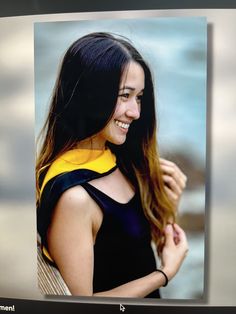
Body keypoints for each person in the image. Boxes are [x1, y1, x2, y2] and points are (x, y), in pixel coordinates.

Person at [36, 32, 188, 298]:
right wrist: (164, 274)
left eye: (139, 97)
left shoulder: (120, 157)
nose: (136, 112)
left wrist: (167, 212)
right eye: (125, 95)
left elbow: (126, 253)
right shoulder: (74, 198)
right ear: (89, 95)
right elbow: (83, 305)